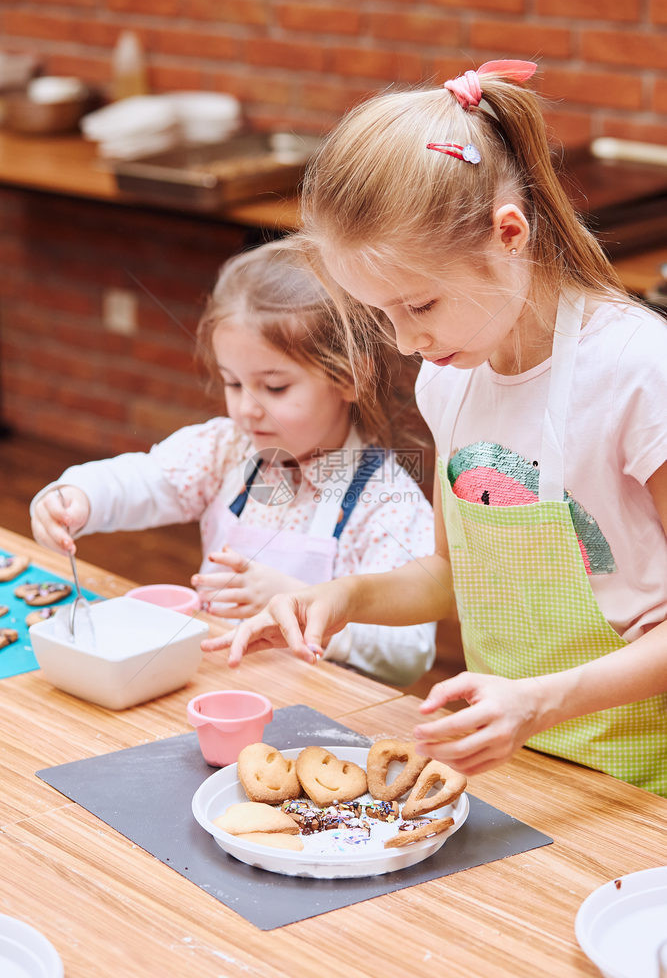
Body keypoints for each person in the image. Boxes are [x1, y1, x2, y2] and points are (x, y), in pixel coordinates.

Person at [218, 60, 667, 795]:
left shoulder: (635, 370)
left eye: (419, 306)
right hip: (511, 759)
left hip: (639, 774)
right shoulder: (451, 377)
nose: (401, 343)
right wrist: (344, 598)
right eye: (379, 314)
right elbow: (448, 574)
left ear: (508, 234)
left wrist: (539, 702)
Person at [30, 238, 437, 686]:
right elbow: (143, 481)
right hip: (211, 685)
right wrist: (76, 496)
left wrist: (301, 603)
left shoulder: (385, 503)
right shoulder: (226, 450)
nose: (247, 409)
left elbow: (409, 653)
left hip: (318, 710)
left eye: (275, 387)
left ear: (349, 378)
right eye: (233, 383)